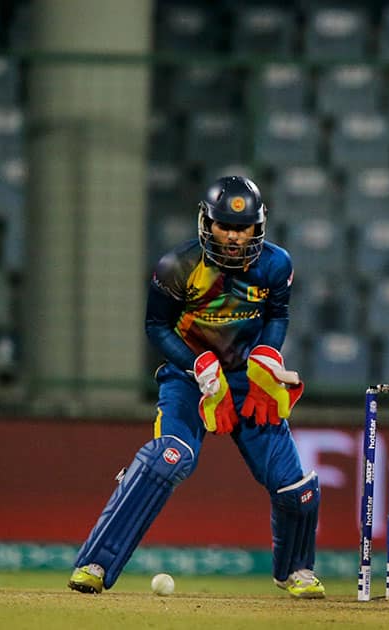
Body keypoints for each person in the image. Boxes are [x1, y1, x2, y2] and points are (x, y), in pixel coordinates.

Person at [67, 176, 324, 599]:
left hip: (247, 383)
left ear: (258, 227)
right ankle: (95, 562)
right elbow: (156, 327)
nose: (233, 236)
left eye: (242, 228)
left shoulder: (276, 265)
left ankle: (295, 571)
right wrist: (197, 362)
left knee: (294, 486)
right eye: (225, 225)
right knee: (170, 457)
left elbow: (278, 316)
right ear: (207, 222)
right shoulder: (178, 267)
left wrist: (267, 357)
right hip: (189, 380)